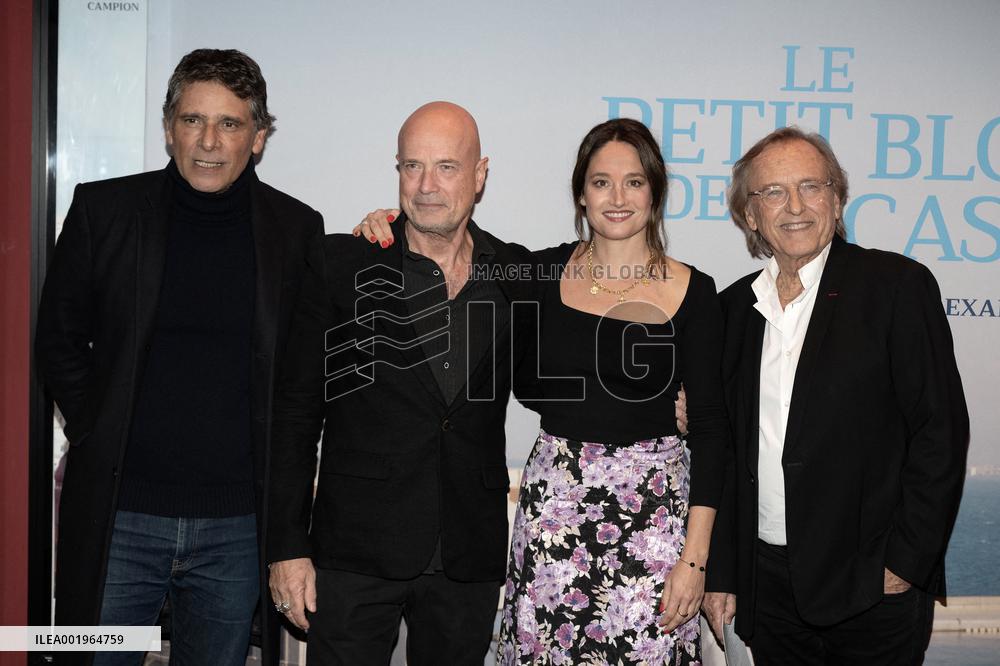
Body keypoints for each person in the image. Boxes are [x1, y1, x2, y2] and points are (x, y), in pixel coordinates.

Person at [356, 118, 730, 665]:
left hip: (655, 528)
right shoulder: (538, 273)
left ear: (655, 192)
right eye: (601, 182)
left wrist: (695, 561)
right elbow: (453, 246)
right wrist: (390, 222)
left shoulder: (695, 292)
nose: (617, 198)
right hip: (553, 520)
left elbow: (714, 431)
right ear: (581, 194)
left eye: (634, 182)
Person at [35, 49, 323, 666]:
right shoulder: (103, 211)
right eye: (193, 120)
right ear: (169, 128)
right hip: (119, 517)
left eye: (230, 123)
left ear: (259, 137)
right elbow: (58, 340)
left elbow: (301, 382)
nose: (208, 142)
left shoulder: (297, 229)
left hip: (236, 529)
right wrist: (95, 428)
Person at [266, 101, 537, 666]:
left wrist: (676, 406)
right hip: (354, 553)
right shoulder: (342, 263)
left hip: (467, 556)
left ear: (480, 174)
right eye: (412, 166)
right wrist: (287, 546)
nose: (426, 185)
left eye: (446, 167)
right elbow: (294, 414)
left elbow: (562, 375)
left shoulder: (516, 273)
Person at [703, 126, 969, 665]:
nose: (795, 206)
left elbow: (939, 431)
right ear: (750, 215)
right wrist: (723, 573)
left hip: (872, 586)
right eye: (773, 192)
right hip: (766, 588)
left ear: (837, 199)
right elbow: (728, 454)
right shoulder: (731, 311)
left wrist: (905, 563)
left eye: (811, 186)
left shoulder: (896, 286)